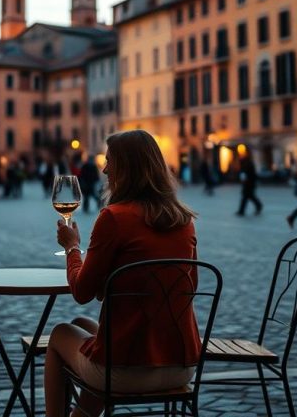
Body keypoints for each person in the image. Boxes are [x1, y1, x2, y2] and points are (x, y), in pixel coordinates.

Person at [47, 130, 200, 417]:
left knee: (59, 335)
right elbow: (188, 286)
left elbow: (82, 292)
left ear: (127, 168)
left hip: (127, 371)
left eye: (111, 161)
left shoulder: (114, 218)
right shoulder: (184, 219)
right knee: (83, 324)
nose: (105, 169)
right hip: (182, 366)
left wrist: (72, 248)